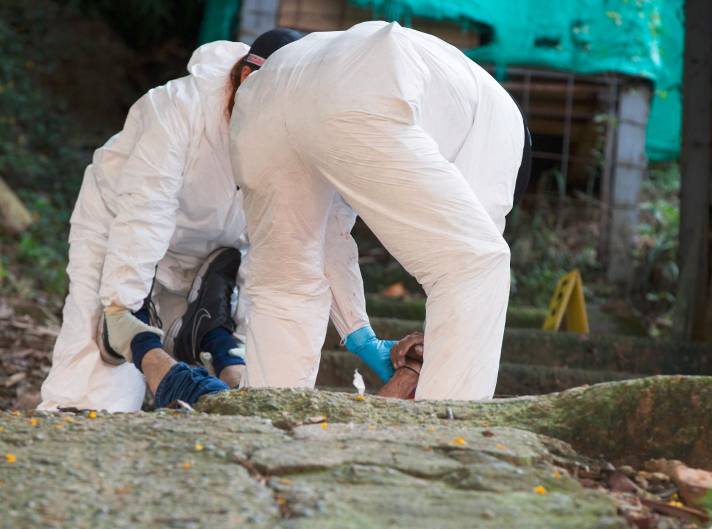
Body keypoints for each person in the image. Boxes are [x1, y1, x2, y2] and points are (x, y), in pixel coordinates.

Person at [39, 28, 396, 412]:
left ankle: (207, 334)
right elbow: (146, 207)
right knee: (100, 383)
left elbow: (323, 233)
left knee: (237, 380)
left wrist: (358, 332)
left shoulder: (299, 129)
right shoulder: (177, 108)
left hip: (211, 258)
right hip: (117, 231)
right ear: (246, 80)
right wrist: (121, 307)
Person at [230, 21, 526, 400]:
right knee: (477, 265)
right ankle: (443, 442)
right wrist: (428, 355)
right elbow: (466, 265)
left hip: (259, 105)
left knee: (286, 289)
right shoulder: (504, 130)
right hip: (362, 87)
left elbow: (326, 236)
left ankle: (267, 427)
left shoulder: (465, 92)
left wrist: (359, 334)